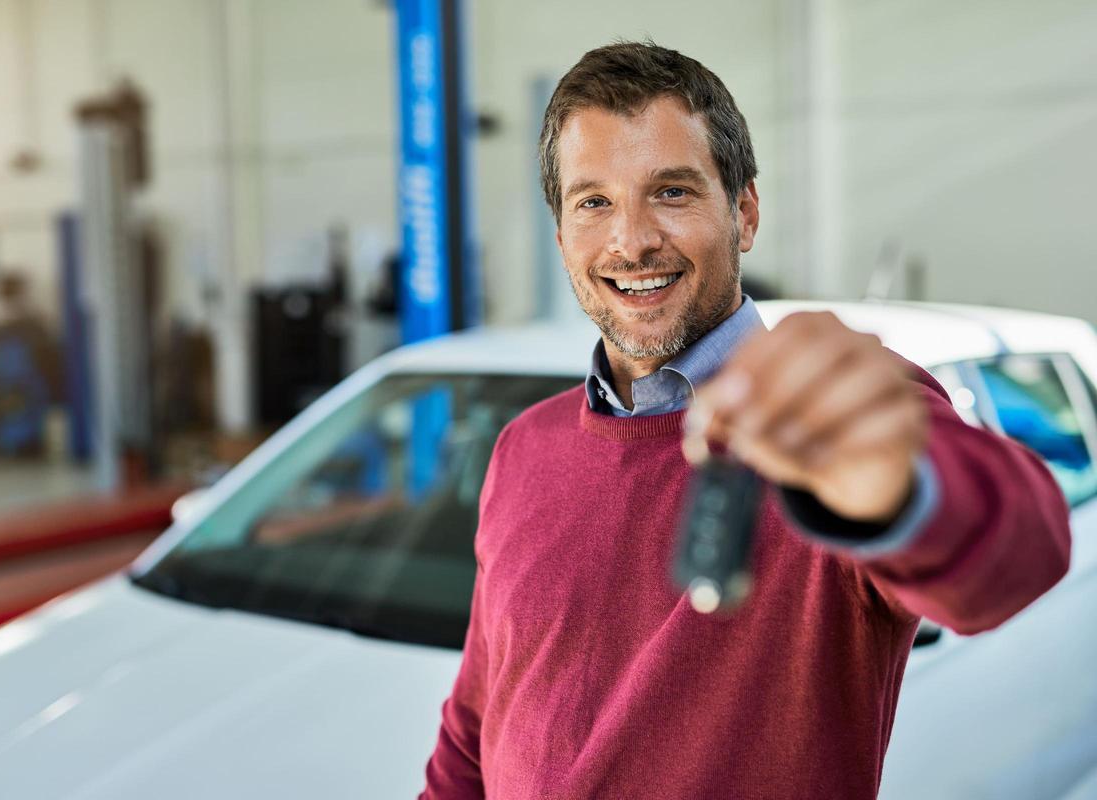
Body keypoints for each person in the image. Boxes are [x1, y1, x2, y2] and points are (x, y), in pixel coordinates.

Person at [419, 41, 1071, 799]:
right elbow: (474, 729)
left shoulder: (830, 425)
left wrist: (898, 488)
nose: (631, 241)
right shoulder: (523, 448)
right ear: (562, 236)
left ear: (746, 213)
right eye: (594, 202)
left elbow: (1021, 555)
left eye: (672, 192)